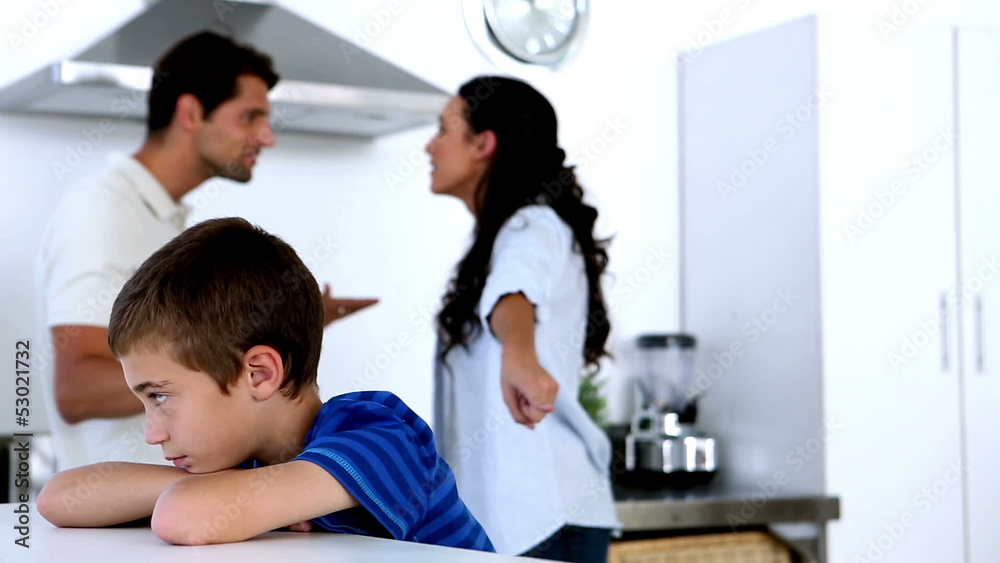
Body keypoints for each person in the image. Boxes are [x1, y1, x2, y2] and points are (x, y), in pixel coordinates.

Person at [36, 217, 494, 551]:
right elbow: (59, 498)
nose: (152, 431)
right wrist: (244, 493)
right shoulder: (250, 462)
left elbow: (183, 517)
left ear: (259, 374)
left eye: (160, 396)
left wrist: (223, 496)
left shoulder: (380, 438)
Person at [35, 30, 374, 471]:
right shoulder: (104, 210)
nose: (267, 136)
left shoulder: (161, 220)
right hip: (131, 523)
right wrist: (221, 368)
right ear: (191, 112)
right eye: (250, 116)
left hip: (175, 516)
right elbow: (76, 390)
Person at [425, 76, 620, 561]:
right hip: (525, 515)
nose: (430, 145)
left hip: (545, 515)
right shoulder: (504, 236)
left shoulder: (531, 227)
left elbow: (515, 292)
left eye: (443, 129)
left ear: (483, 144)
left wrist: (519, 354)